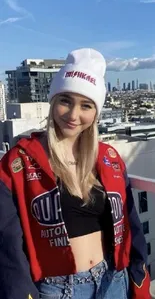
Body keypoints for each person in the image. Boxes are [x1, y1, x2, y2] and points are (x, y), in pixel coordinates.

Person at [0, 48, 150, 299]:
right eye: (65, 100)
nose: (73, 115)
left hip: (113, 279)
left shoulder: (109, 159)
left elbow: (131, 224)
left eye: (86, 105)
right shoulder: (19, 162)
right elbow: (7, 240)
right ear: (53, 101)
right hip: (57, 289)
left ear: (96, 113)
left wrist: (138, 277)